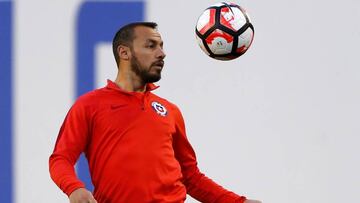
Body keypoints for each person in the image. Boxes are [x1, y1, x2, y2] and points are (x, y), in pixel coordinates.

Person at [49, 22, 261, 203]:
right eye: (151, 46)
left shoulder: (170, 110)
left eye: (161, 46)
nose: (162, 53)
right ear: (124, 52)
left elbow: (189, 176)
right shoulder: (90, 105)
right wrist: (74, 188)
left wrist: (236, 201)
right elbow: (60, 159)